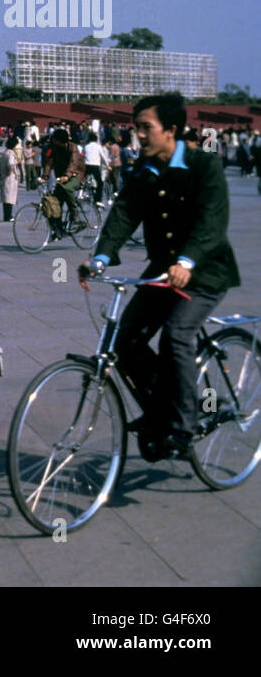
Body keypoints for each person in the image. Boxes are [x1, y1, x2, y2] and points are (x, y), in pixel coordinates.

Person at [81, 92, 241, 462]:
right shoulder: (144, 169)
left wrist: (187, 261)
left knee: (176, 334)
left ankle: (182, 425)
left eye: (145, 128)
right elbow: (123, 213)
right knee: (125, 342)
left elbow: (211, 222)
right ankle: (163, 407)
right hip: (162, 273)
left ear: (171, 130)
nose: (138, 135)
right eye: (135, 128)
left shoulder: (203, 166)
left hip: (204, 272)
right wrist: (101, 258)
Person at [45, 128, 86, 228]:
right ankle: (58, 228)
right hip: (62, 177)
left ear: (60, 140)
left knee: (67, 188)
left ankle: (74, 212)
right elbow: (49, 162)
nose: (53, 140)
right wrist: (44, 176)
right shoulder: (53, 148)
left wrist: (67, 176)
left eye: (55, 138)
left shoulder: (72, 147)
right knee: (55, 202)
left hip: (77, 175)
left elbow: (73, 163)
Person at [0, 135, 21, 222]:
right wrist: (11, 169)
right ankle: (9, 216)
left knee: (6, 198)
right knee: (9, 198)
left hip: (4, 177)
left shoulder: (4, 153)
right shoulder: (10, 154)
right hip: (9, 177)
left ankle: (6, 215)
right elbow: (10, 164)